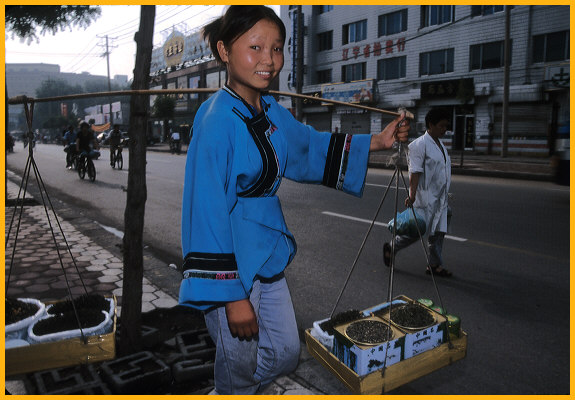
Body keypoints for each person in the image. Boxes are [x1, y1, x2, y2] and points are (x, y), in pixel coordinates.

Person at [178, 5, 410, 395]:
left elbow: (308, 147)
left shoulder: (269, 110)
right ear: (223, 51)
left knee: (285, 352)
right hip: (230, 264)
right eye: (255, 47)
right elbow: (205, 210)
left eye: (277, 48)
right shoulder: (215, 119)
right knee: (237, 364)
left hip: (266, 252)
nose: (269, 60)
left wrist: (380, 142)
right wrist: (232, 296)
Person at [383, 107, 452, 277]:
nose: (444, 130)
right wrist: (412, 195)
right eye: (441, 126)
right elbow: (415, 171)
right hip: (425, 197)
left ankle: (434, 264)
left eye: (446, 126)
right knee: (418, 230)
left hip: (440, 198)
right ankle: (393, 246)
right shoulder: (419, 145)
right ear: (431, 124)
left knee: (439, 230)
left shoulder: (440, 144)